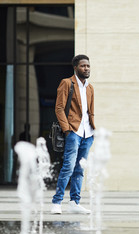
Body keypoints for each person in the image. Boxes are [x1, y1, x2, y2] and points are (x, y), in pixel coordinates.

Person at [51, 54, 95, 214]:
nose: (86, 68)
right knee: (68, 167)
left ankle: (75, 202)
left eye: (88, 66)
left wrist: (92, 129)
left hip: (87, 133)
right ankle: (57, 202)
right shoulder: (67, 83)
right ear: (75, 68)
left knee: (79, 169)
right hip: (73, 132)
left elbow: (90, 111)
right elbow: (59, 108)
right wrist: (67, 129)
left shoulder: (90, 88)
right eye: (83, 66)